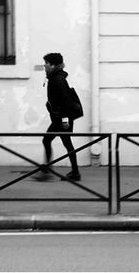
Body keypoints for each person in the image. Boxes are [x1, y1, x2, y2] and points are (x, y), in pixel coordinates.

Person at [35, 52, 81, 181]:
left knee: (47, 140)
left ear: (53, 65)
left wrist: (65, 120)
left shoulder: (58, 80)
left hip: (62, 118)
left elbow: (66, 101)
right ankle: (75, 172)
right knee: (67, 143)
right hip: (61, 117)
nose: (44, 65)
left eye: (47, 63)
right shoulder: (55, 78)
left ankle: (47, 171)